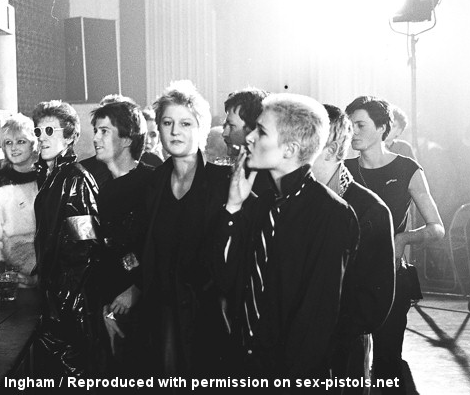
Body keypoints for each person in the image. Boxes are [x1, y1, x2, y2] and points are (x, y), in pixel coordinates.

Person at [212, 93, 359, 382]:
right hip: (243, 368)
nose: (250, 137)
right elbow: (224, 278)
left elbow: (315, 323)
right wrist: (232, 208)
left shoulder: (331, 215)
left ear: (290, 149)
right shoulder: (262, 205)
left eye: (261, 131)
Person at [344, 96, 445, 394]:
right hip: (349, 280)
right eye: (349, 126)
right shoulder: (343, 169)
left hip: (389, 279)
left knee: (387, 361)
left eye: (360, 125)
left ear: (382, 128)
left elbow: (436, 228)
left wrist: (403, 239)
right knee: (349, 363)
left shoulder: (407, 169)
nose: (353, 132)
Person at [140, 80, 231, 377]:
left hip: (210, 319)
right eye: (167, 122)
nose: (175, 131)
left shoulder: (223, 182)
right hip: (159, 317)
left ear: (201, 129)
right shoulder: (152, 183)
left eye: (185, 123)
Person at [313, 104, 395, 394]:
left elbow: (374, 304)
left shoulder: (370, 211)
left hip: (343, 352)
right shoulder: (291, 202)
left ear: (333, 149)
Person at [31, 100, 102, 378]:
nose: (43, 138)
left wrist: (65, 303)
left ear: (71, 136)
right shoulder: (52, 177)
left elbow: (87, 248)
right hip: (56, 299)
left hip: (71, 306)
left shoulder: (74, 180)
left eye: (50, 130)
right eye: (38, 132)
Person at [89, 100, 154, 376]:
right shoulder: (95, 184)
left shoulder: (151, 184)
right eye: (96, 130)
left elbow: (161, 247)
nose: (95, 138)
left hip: (142, 308)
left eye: (104, 131)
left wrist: (136, 291)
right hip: (107, 307)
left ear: (127, 139)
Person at [0, 114, 39, 287]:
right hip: (18, 250)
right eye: (8, 143)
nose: (14, 148)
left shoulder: (49, 177)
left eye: (21, 141)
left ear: (34, 144)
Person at [222, 87, 273, 194]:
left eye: (231, 126)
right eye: (225, 126)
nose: (224, 134)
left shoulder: (268, 179)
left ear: (253, 129)